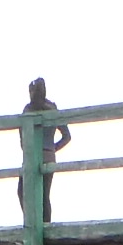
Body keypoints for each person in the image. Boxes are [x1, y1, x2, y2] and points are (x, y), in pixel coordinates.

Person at [17, 77, 70, 217]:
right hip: (49, 156)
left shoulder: (28, 109)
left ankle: (31, 222)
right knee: (45, 195)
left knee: (23, 191)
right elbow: (67, 136)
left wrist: (26, 149)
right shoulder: (52, 109)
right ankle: (46, 224)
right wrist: (52, 148)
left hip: (32, 155)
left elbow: (22, 134)